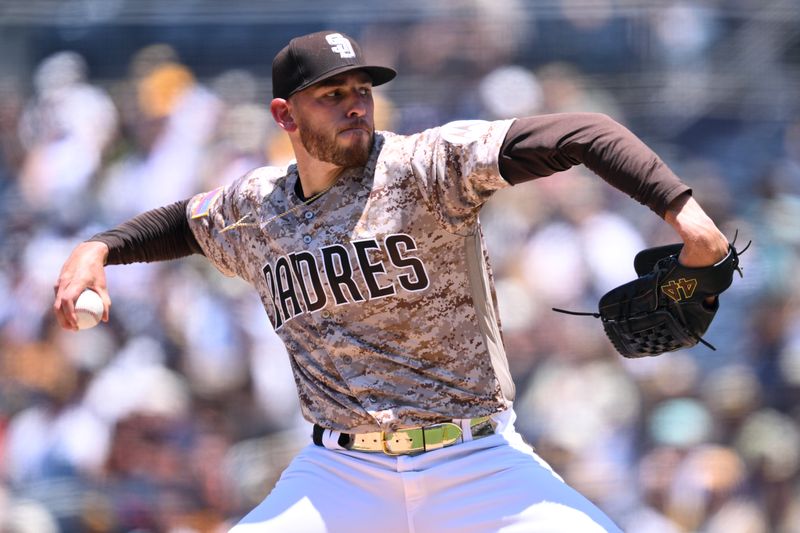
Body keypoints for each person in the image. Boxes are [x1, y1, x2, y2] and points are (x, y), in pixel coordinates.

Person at [53, 30, 730, 532]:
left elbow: (584, 131)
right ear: (285, 116)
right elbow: (182, 222)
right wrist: (100, 247)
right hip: (340, 474)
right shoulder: (256, 206)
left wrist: (689, 217)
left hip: (476, 461)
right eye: (332, 95)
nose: (355, 106)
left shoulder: (426, 167)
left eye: (362, 91)